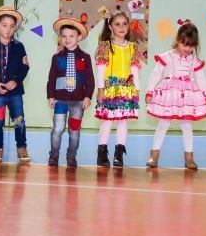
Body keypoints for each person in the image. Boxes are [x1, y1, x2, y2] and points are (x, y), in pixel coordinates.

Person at [144, 20, 206, 170]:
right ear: (177, 40)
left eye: (191, 46)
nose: (188, 49)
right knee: (163, 124)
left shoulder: (194, 60)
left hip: (186, 96)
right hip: (169, 94)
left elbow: (201, 78)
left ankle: (189, 157)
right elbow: (156, 74)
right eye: (184, 44)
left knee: (187, 125)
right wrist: (150, 91)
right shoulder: (167, 57)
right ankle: (154, 155)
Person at [94, 11, 144, 168]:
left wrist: (137, 90)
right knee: (108, 121)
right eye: (117, 24)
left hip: (127, 89)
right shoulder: (105, 46)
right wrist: (100, 89)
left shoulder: (133, 47)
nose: (121, 27)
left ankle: (119, 153)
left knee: (123, 121)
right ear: (110, 27)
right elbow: (101, 70)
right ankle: (102, 153)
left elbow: (134, 70)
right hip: (110, 88)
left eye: (124, 24)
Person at [0, 6, 30, 164]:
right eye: (4, 25)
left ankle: (21, 147)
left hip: (15, 93)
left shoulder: (19, 46)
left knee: (19, 120)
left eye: (12, 26)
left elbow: (25, 67)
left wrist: (15, 81)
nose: (8, 30)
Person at [46, 18, 95, 167]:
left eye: (71, 36)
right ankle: (54, 155)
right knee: (58, 129)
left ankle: (71, 155)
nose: (67, 39)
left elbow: (90, 79)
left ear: (79, 37)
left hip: (78, 101)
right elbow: (51, 78)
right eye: (64, 36)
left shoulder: (85, 57)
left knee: (74, 130)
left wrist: (87, 97)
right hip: (60, 100)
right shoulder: (57, 57)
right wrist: (50, 96)